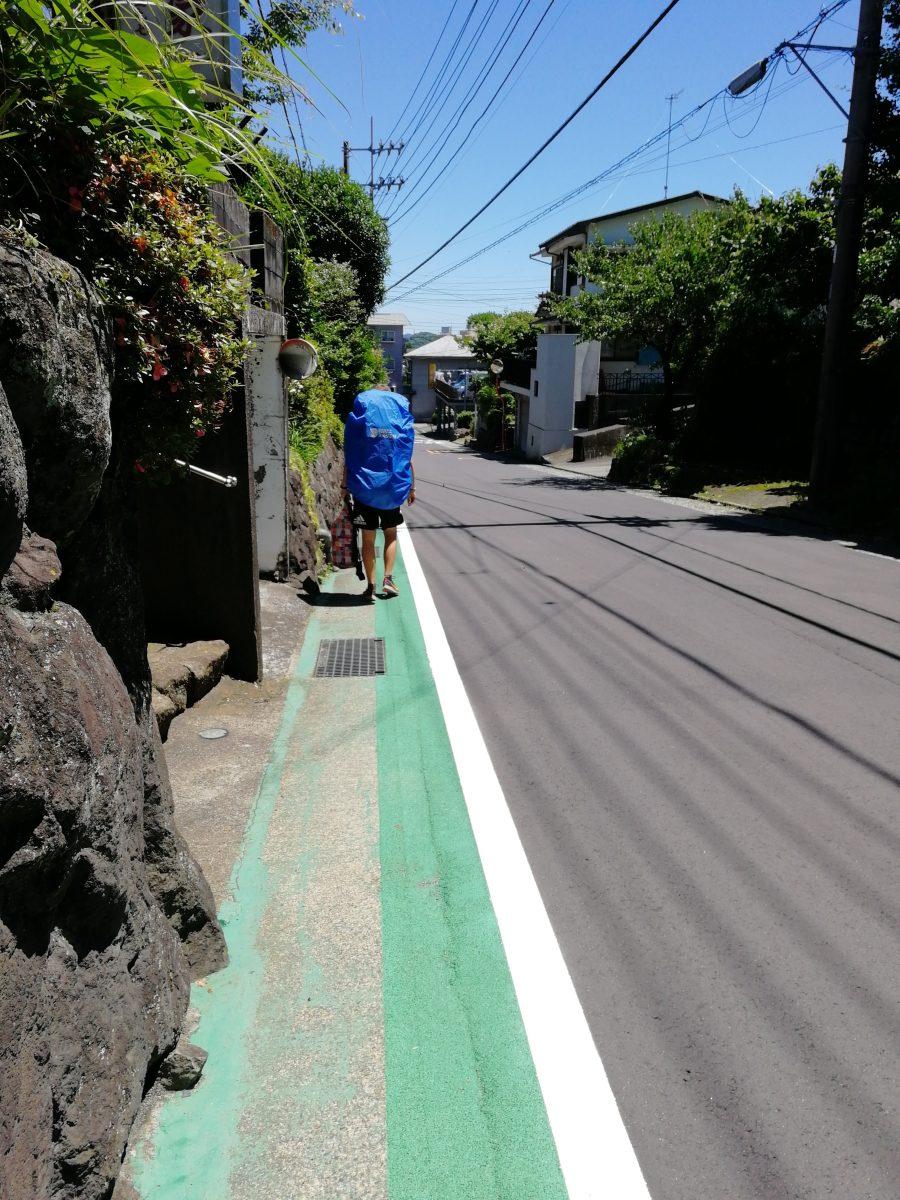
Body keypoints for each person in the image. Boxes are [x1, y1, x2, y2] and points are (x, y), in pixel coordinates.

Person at [341, 384, 415, 601]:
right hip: (392, 487)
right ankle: (388, 579)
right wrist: (411, 488)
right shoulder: (397, 420)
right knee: (391, 533)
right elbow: (406, 459)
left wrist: (344, 487)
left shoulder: (364, 420)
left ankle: (370, 586)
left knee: (368, 538)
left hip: (365, 487)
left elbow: (350, 456)